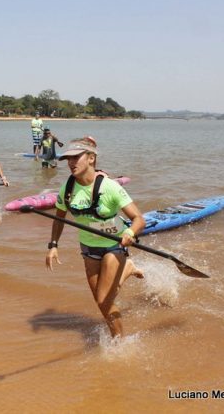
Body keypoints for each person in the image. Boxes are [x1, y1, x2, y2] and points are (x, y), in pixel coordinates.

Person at [45, 136, 146, 338]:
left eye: (76, 158)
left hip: (114, 245)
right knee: (102, 301)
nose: (71, 163)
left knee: (103, 300)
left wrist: (129, 232)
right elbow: (59, 219)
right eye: (68, 160)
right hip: (88, 249)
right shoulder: (68, 189)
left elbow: (138, 219)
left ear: (91, 158)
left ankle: (119, 343)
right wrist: (53, 245)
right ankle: (127, 269)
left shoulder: (110, 187)